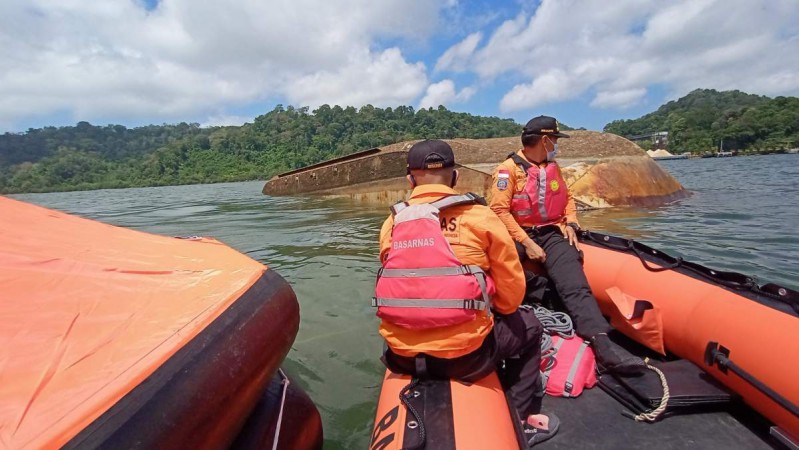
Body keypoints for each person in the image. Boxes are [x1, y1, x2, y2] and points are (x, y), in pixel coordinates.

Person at [373, 139, 559, 446]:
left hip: (400, 356)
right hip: (466, 358)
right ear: (455, 176)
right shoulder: (480, 216)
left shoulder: (392, 222)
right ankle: (521, 419)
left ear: (409, 179)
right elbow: (511, 298)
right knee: (531, 327)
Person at [489, 116, 645, 375]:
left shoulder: (553, 167)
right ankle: (542, 295)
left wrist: (571, 222)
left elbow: (567, 197)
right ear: (546, 140)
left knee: (575, 281)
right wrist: (527, 242)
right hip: (516, 234)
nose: (557, 146)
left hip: (550, 232)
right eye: (556, 141)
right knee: (501, 268)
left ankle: (602, 343)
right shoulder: (507, 171)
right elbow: (499, 211)